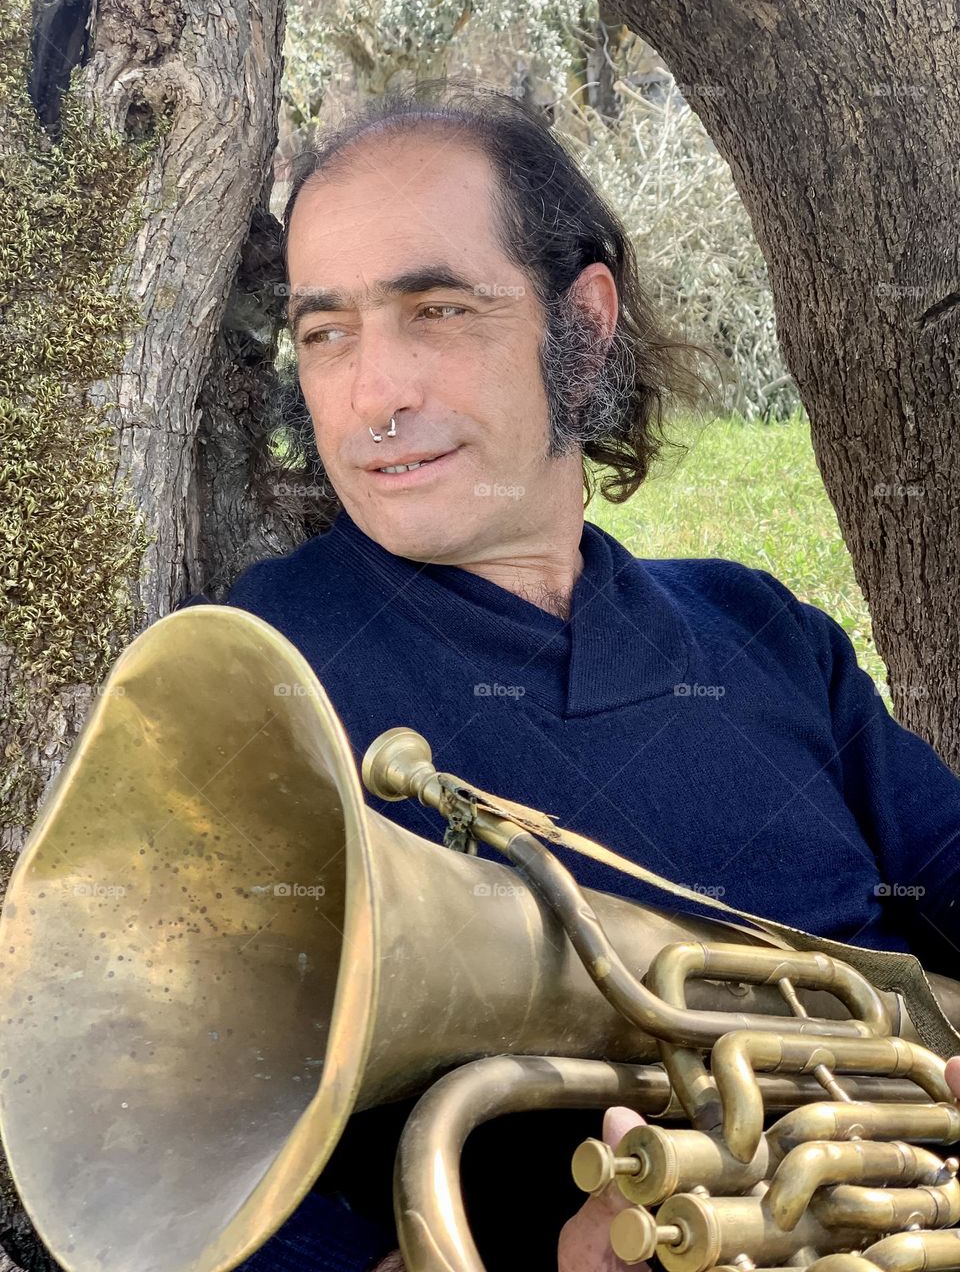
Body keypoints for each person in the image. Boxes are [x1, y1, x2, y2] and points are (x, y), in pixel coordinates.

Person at [177, 80, 960, 1272]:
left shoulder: (755, 624)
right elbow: (171, 1149)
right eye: (324, 330)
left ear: (582, 323)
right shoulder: (251, 673)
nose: (372, 394)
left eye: (435, 310)